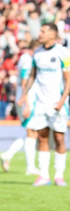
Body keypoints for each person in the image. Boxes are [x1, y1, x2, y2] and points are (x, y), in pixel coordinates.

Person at [18, 24, 70, 186]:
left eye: (43, 31)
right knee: (42, 137)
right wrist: (24, 95)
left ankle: (59, 175)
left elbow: (69, 80)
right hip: (41, 103)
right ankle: (44, 175)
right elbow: (32, 76)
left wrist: (62, 101)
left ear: (52, 34)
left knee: (59, 138)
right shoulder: (37, 53)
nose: (39, 33)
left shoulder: (63, 52)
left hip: (58, 103)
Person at [1, 42, 39, 175]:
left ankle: (8, 155)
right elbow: (24, 83)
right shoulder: (28, 60)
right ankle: (30, 167)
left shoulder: (24, 58)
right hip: (27, 100)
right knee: (31, 132)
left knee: (30, 132)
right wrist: (27, 104)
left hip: (24, 99)